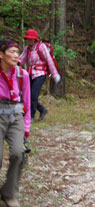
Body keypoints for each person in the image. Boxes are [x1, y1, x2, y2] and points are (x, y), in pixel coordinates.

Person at [0, 38, 31, 207]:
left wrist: (26, 127)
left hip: (16, 116)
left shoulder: (22, 74)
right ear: (1, 54)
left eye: (17, 53)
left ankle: (9, 193)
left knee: (19, 153)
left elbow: (26, 102)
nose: (15, 56)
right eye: (11, 52)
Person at [18, 30, 60, 122]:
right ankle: (42, 110)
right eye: (28, 38)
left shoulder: (41, 47)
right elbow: (21, 59)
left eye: (31, 38)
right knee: (27, 95)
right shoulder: (27, 48)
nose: (29, 40)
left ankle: (31, 116)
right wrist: (12, 64)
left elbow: (49, 60)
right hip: (29, 74)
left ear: (35, 39)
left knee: (33, 95)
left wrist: (54, 74)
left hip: (40, 74)